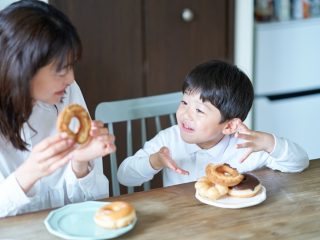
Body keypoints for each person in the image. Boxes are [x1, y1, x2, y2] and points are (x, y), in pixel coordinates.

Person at [0, 0, 116, 217]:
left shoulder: (68, 93)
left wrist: (81, 163)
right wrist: (30, 172)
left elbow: (95, 202)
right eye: (61, 70)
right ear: (23, 69)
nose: (71, 78)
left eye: (71, 66)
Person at [117, 59, 309, 187]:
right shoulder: (170, 140)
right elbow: (124, 177)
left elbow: (299, 163)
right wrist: (155, 161)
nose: (185, 114)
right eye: (184, 102)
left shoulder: (245, 147)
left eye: (199, 110)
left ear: (229, 126)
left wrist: (269, 143)